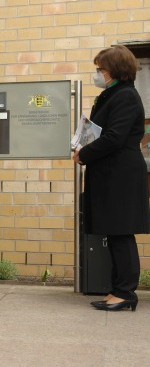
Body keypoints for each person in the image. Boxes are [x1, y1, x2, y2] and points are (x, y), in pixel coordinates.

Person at [73, 45, 149, 311]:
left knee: (121, 233)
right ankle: (118, 289)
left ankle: (126, 292)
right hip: (110, 174)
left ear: (115, 69)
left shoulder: (126, 96)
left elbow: (115, 137)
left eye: (101, 69)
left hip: (121, 175)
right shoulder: (111, 95)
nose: (98, 73)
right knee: (115, 232)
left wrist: (85, 152)